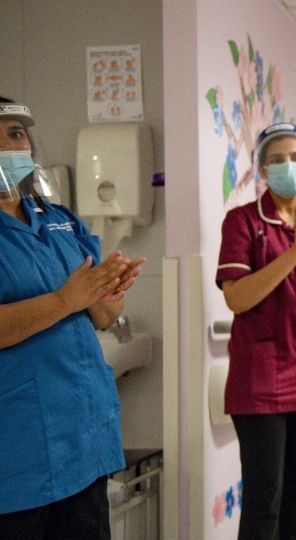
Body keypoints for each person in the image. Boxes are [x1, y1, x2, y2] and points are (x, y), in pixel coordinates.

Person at [0, 97, 145, 538]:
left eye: (16, 134)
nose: (9, 147)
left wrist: (108, 292)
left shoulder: (58, 220)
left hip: (82, 439)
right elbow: (69, 300)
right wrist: (66, 300)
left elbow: (101, 315)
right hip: (17, 454)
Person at [216, 122, 296, 540]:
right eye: (276, 160)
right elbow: (237, 299)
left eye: (295, 158)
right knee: (264, 496)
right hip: (263, 381)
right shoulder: (242, 222)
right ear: (261, 170)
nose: (287, 166)